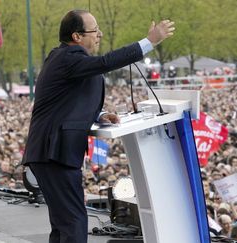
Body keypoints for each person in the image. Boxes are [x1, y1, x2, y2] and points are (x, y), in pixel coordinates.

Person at [22, 9, 175, 243]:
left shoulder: (66, 59)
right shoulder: (68, 58)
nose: (100, 35)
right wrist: (149, 42)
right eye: (95, 31)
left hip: (51, 153)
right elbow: (106, 63)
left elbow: (68, 102)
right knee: (74, 223)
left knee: (63, 224)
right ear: (76, 37)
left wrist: (100, 115)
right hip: (53, 153)